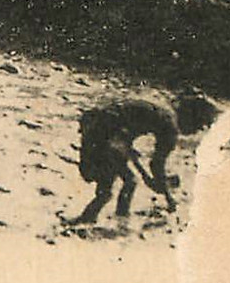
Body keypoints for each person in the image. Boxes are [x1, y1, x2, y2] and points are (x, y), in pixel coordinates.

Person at [68, 94, 218, 224]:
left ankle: (103, 217)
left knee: (117, 184)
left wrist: (129, 150)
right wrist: (166, 195)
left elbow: (124, 130)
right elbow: (156, 165)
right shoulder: (170, 126)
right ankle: (117, 220)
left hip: (100, 130)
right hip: (105, 134)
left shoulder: (162, 111)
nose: (195, 132)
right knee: (126, 181)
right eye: (199, 127)